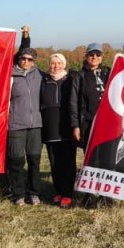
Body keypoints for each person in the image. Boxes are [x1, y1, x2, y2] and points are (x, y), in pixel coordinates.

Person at [8, 43, 44, 205]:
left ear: (34, 61)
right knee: (17, 161)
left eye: (30, 59)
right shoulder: (10, 75)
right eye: (23, 58)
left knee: (34, 161)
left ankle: (33, 192)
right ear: (19, 58)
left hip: (35, 125)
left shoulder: (40, 75)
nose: (26, 61)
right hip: (16, 125)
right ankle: (18, 194)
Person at [41, 53, 75, 207]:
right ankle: (58, 191)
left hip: (67, 129)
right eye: (53, 63)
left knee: (67, 163)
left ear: (64, 64)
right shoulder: (44, 80)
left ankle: (68, 193)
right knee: (54, 163)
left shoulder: (71, 79)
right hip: (50, 128)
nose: (55, 66)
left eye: (59, 63)